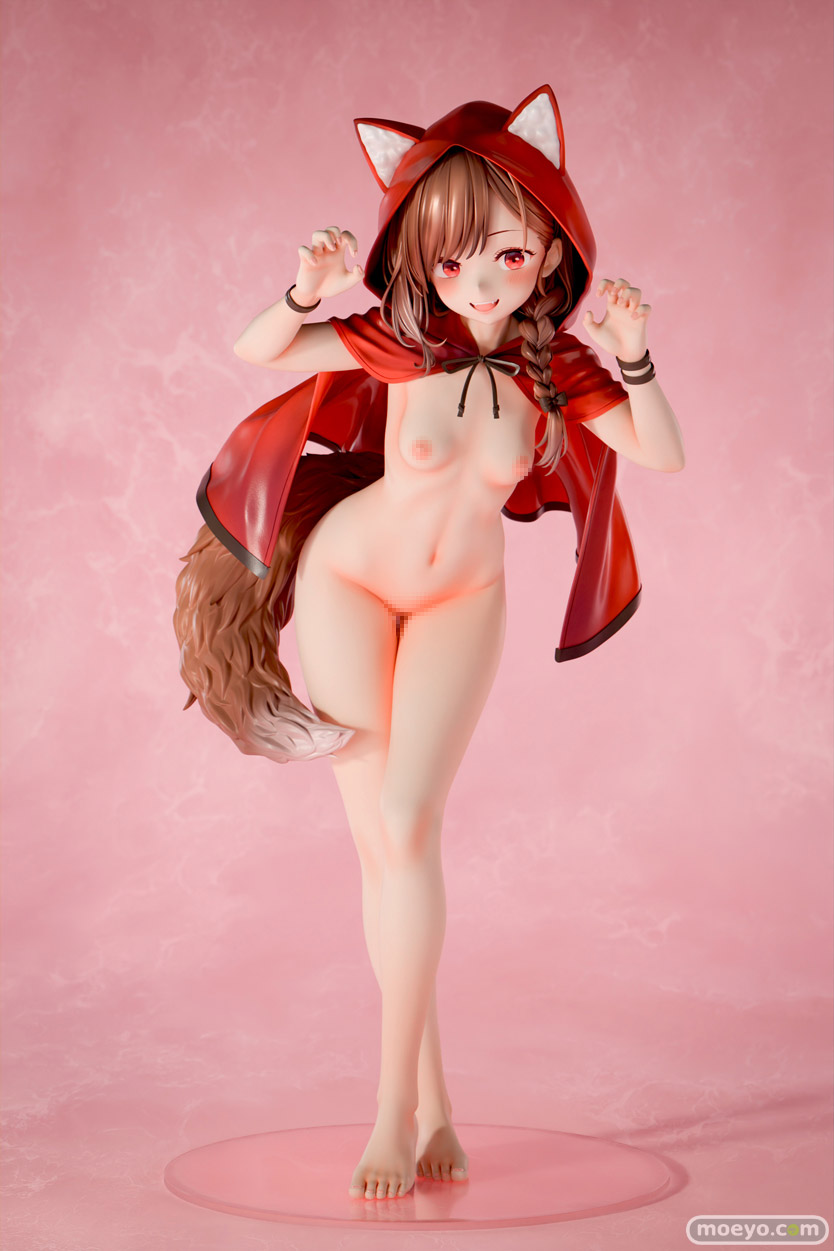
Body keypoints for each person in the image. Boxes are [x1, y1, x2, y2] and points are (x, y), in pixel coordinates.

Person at [173, 85, 685, 1200]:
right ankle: (424, 1105)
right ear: (420, 262)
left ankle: (396, 1110)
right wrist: (305, 287)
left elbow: (661, 453)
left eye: (506, 254)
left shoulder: (557, 371)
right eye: (450, 260)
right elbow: (261, 349)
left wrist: (636, 354)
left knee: (407, 826)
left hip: (464, 601)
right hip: (350, 580)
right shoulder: (403, 344)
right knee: (385, 847)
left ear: (551, 248)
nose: (479, 281)